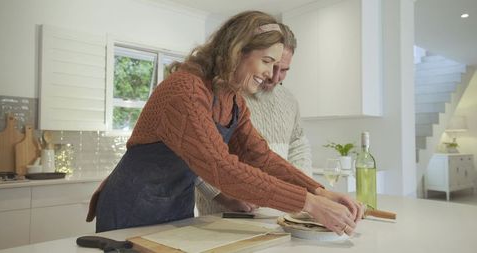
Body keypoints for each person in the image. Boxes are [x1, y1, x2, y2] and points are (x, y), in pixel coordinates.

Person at [87, 10, 364, 236]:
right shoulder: (186, 90)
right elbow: (222, 168)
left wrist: (319, 191)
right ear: (237, 51)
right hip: (130, 209)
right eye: (267, 61)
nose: (271, 74)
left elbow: (261, 158)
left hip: (175, 210)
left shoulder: (233, 101)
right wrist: (308, 203)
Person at [195, 23, 314, 216]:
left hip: (278, 208)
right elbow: (202, 157)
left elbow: (293, 147)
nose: (274, 77)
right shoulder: (221, 93)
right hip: (224, 211)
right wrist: (223, 196)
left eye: (284, 70)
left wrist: (307, 193)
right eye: (270, 64)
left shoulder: (289, 100)